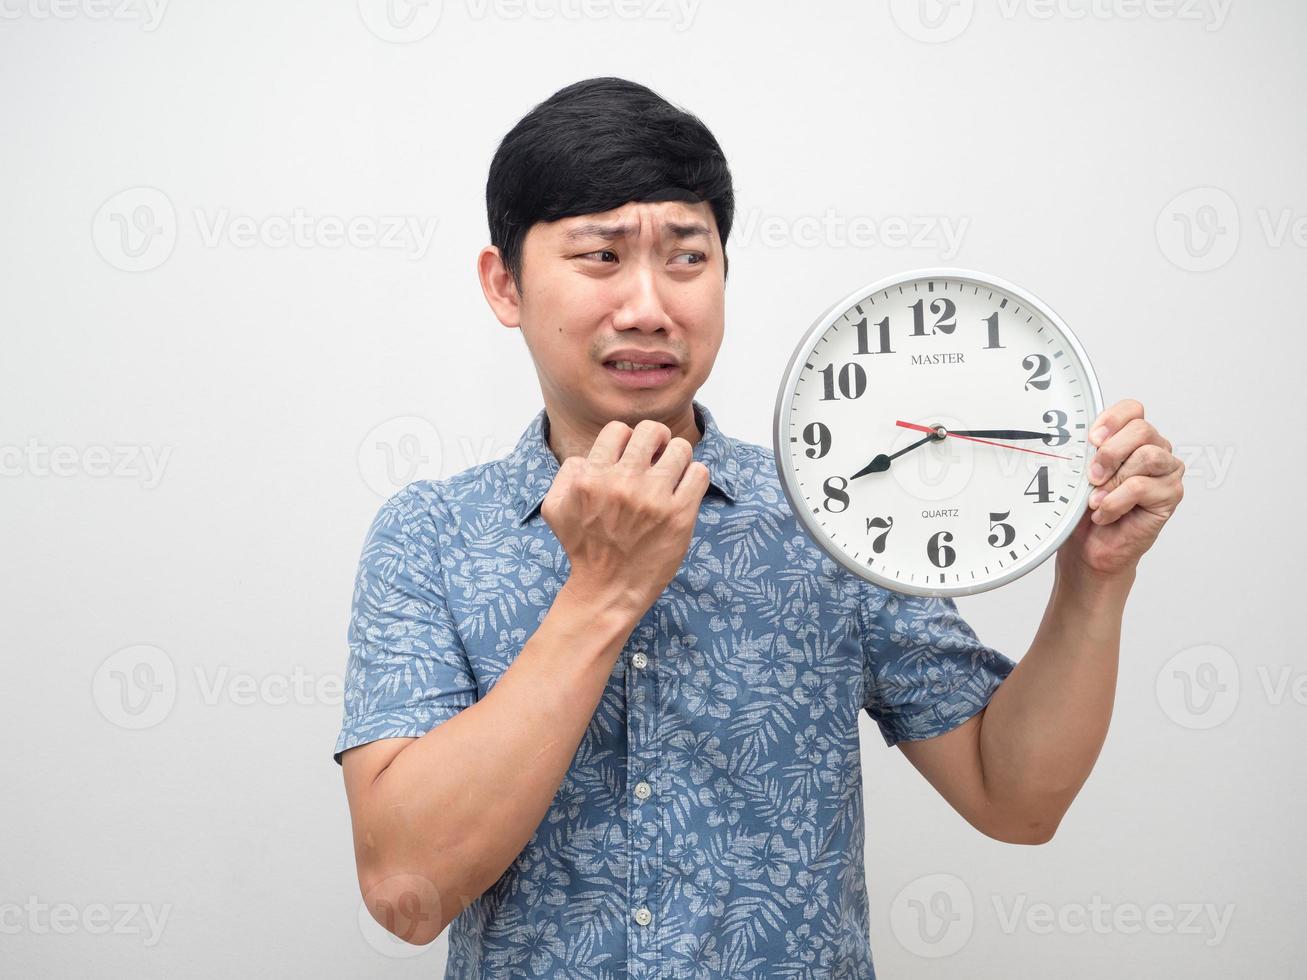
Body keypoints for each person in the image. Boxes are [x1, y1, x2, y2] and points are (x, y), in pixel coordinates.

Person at [333, 77, 1184, 978]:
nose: (649, 306)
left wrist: (1094, 582)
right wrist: (605, 590)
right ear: (504, 283)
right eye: (600, 257)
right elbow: (404, 889)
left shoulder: (828, 509)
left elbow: (1015, 800)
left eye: (687, 257)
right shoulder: (429, 536)